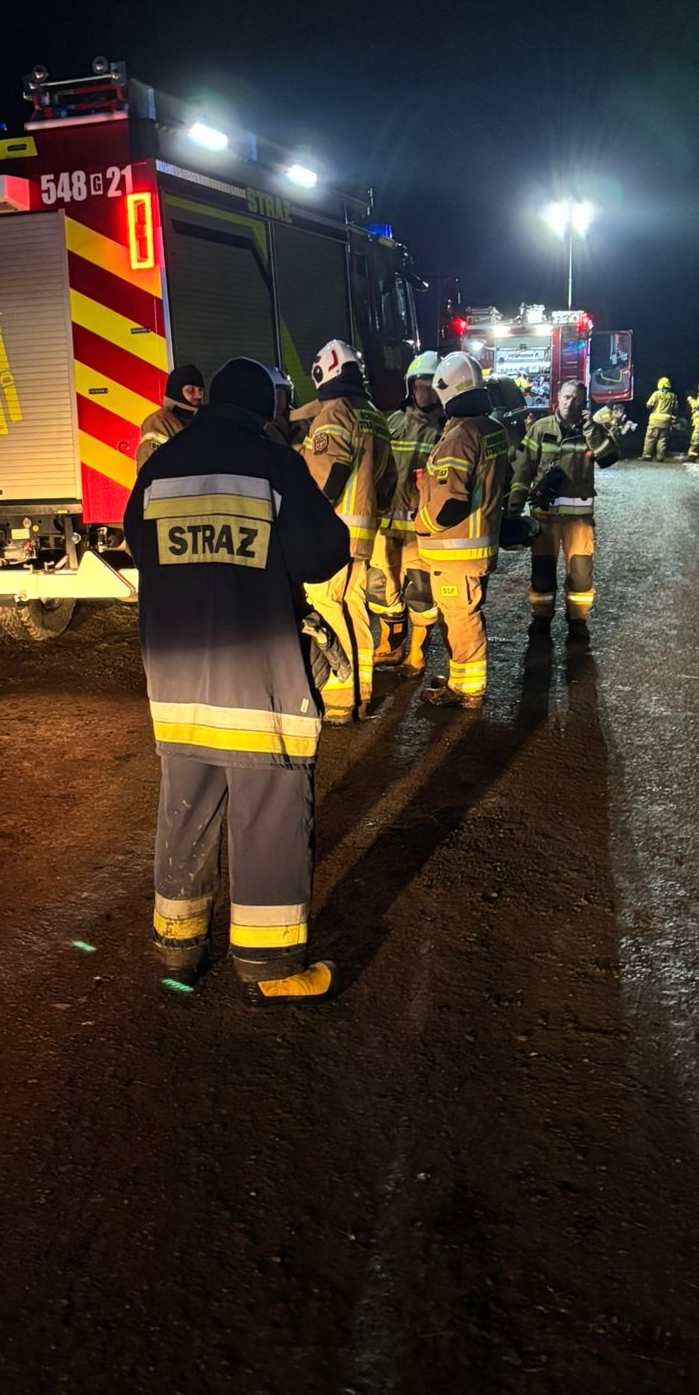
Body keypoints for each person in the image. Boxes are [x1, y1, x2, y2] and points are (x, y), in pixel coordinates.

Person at [122, 357, 348, 1000]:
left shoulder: (162, 465)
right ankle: (271, 968)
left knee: (185, 810)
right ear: (265, 409)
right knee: (270, 813)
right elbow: (323, 553)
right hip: (258, 683)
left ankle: (177, 948)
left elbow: (137, 538)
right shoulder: (272, 463)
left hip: (176, 682)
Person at [300, 338, 392, 723]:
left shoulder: (335, 412)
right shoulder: (373, 414)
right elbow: (388, 481)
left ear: (324, 373)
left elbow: (330, 472)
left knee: (326, 606)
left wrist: (310, 519)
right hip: (362, 533)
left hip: (332, 532)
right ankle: (361, 692)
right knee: (354, 607)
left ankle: (341, 698)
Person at [415, 352, 511, 708]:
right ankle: (460, 675)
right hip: (477, 546)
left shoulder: (460, 436)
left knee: (460, 618)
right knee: (463, 615)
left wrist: (420, 523)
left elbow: (450, 503)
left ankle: (467, 690)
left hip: (454, 549)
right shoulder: (492, 429)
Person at [506, 380, 620, 635]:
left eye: (577, 398)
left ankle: (578, 620)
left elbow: (609, 458)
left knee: (580, 575)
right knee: (542, 572)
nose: (571, 402)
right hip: (544, 517)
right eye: (567, 397)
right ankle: (541, 618)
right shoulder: (540, 428)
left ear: (584, 402)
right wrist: (514, 509)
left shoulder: (591, 431)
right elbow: (523, 469)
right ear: (558, 398)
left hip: (579, 520)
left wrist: (592, 429)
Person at [369, 350, 443, 671]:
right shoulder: (391, 422)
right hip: (385, 525)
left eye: (430, 386)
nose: (424, 392)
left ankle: (418, 651)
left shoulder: (447, 430)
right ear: (410, 386)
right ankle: (391, 643)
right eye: (419, 385)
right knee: (379, 588)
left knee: (421, 595)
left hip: (420, 528)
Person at [136, 364, 204, 469]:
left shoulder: (203, 420)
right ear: (176, 392)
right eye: (191, 390)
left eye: (200, 390)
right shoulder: (159, 422)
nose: (198, 395)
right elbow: (149, 468)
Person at [643, 376, 678, 460]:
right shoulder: (673, 396)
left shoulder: (656, 394)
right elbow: (676, 408)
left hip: (655, 420)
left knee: (650, 438)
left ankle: (647, 455)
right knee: (662, 439)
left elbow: (649, 404)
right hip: (666, 421)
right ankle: (660, 456)